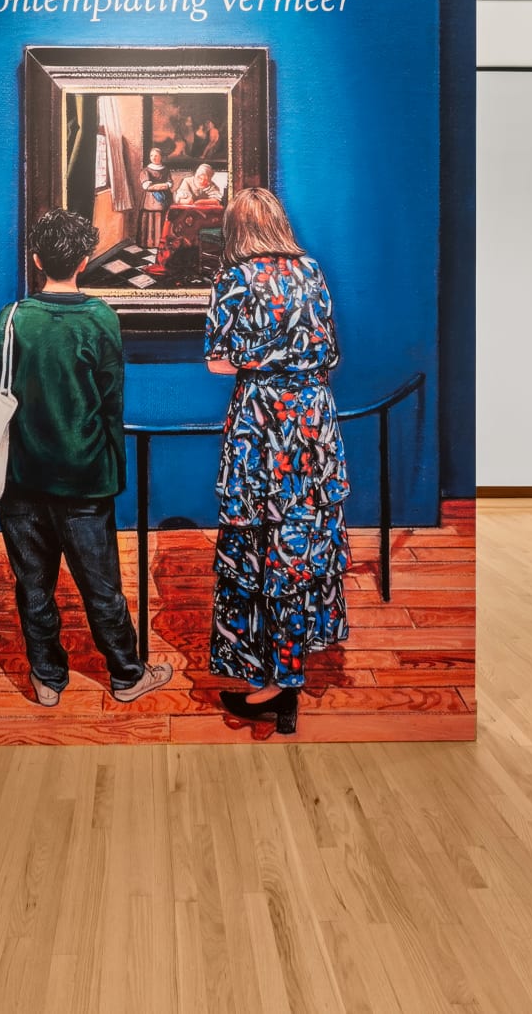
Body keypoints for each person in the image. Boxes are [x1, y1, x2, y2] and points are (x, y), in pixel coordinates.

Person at [0, 209, 173, 708]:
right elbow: (111, 398)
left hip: (21, 475)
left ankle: (47, 678)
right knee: (102, 587)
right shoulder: (99, 317)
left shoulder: (14, 317)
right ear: (84, 261)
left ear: (37, 260)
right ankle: (126, 676)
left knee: (33, 586)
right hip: (85, 477)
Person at [202, 188, 347, 736]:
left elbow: (218, 363)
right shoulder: (312, 272)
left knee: (257, 542)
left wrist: (259, 363)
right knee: (300, 541)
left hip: (261, 426)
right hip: (312, 423)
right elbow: (329, 355)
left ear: (236, 229)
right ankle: (290, 670)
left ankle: (275, 681)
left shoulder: (233, 279)